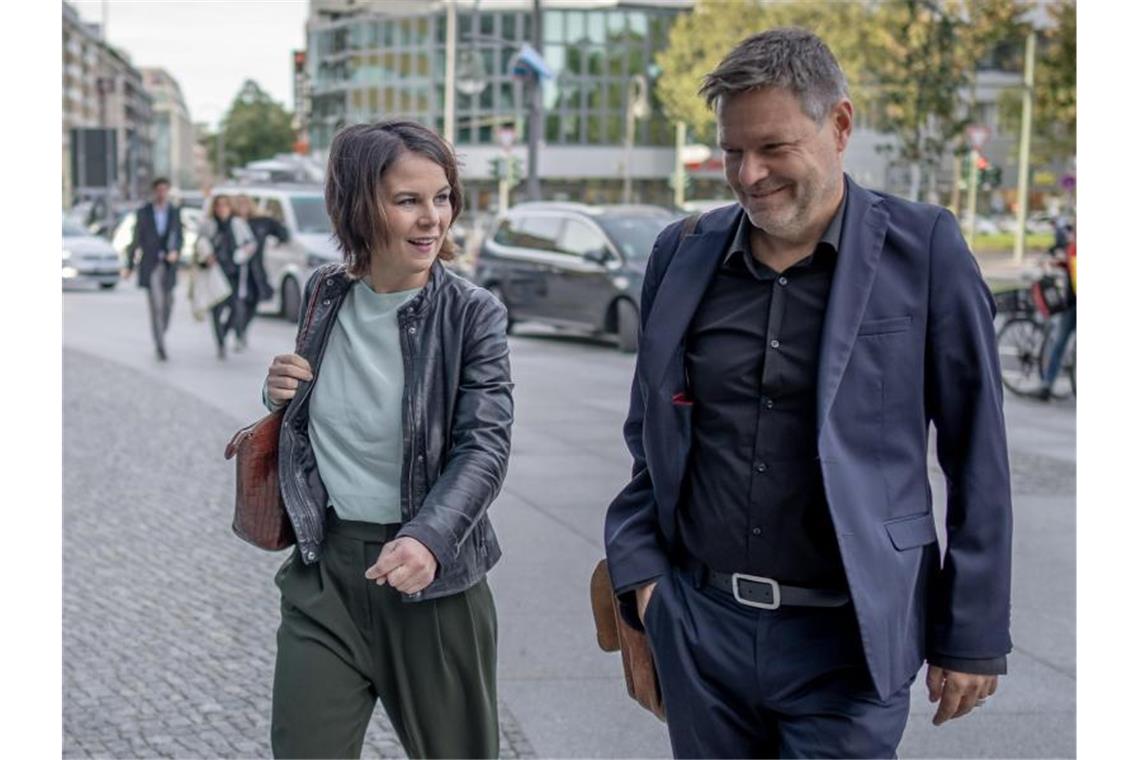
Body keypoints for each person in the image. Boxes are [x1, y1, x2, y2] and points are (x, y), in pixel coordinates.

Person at [603, 29, 1012, 759]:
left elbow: (977, 449)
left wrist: (973, 634)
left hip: (848, 644)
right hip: (701, 630)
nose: (748, 173)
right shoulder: (682, 252)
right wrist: (647, 589)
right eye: (732, 151)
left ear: (841, 125)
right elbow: (650, 440)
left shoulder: (925, 250)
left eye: (773, 148)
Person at [261, 120, 512, 759]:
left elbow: (484, 446)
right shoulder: (324, 293)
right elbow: (317, 413)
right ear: (357, 206)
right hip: (329, 576)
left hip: (434, 581)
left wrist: (428, 539)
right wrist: (278, 394)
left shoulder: (470, 314)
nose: (433, 219)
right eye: (408, 200)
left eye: (442, 197)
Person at [122, 177, 183, 361]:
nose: (162, 193)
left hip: (168, 265)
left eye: (165, 189)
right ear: (154, 191)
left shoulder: (174, 212)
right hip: (150, 265)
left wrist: (176, 251)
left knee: (168, 304)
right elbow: (136, 240)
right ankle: (160, 345)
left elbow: (179, 236)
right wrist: (129, 266)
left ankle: (160, 332)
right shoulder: (143, 212)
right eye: (159, 190)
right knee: (156, 306)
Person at [197, 194, 255, 359]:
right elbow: (200, 245)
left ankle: (224, 332)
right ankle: (221, 344)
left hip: (234, 272)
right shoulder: (208, 225)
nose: (221, 209)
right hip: (215, 272)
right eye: (218, 205)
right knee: (216, 309)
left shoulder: (238, 224)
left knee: (236, 308)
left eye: (225, 205)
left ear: (230, 207)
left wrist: (243, 253)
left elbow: (251, 243)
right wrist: (207, 257)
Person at [234, 195, 289, 350]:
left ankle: (241, 330)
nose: (242, 207)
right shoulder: (233, 221)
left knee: (253, 301)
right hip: (236, 270)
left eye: (245, 203)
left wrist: (278, 242)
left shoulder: (262, 221)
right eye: (239, 204)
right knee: (237, 303)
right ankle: (236, 332)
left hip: (256, 270)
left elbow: (282, 233)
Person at [1035, 230, 1076, 400]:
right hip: (1071, 304)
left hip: (1072, 305)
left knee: (1058, 344)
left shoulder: (1073, 248)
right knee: (1059, 344)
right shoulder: (1073, 249)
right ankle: (1047, 384)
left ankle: (1047, 385)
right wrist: (1060, 263)